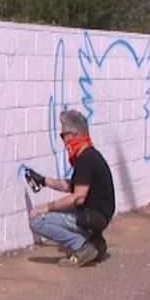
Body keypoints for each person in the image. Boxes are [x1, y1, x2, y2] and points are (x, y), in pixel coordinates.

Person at [25, 109, 115, 267]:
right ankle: (94, 241)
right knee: (58, 215)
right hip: (97, 216)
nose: (63, 141)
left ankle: (82, 247)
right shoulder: (90, 155)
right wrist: (44, 181)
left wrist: (45, 208)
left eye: (63, 135)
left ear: (73, 134)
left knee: (37, 222)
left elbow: (77, 196)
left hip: (91, 216)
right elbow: (71, 185)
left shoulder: (85, 159)